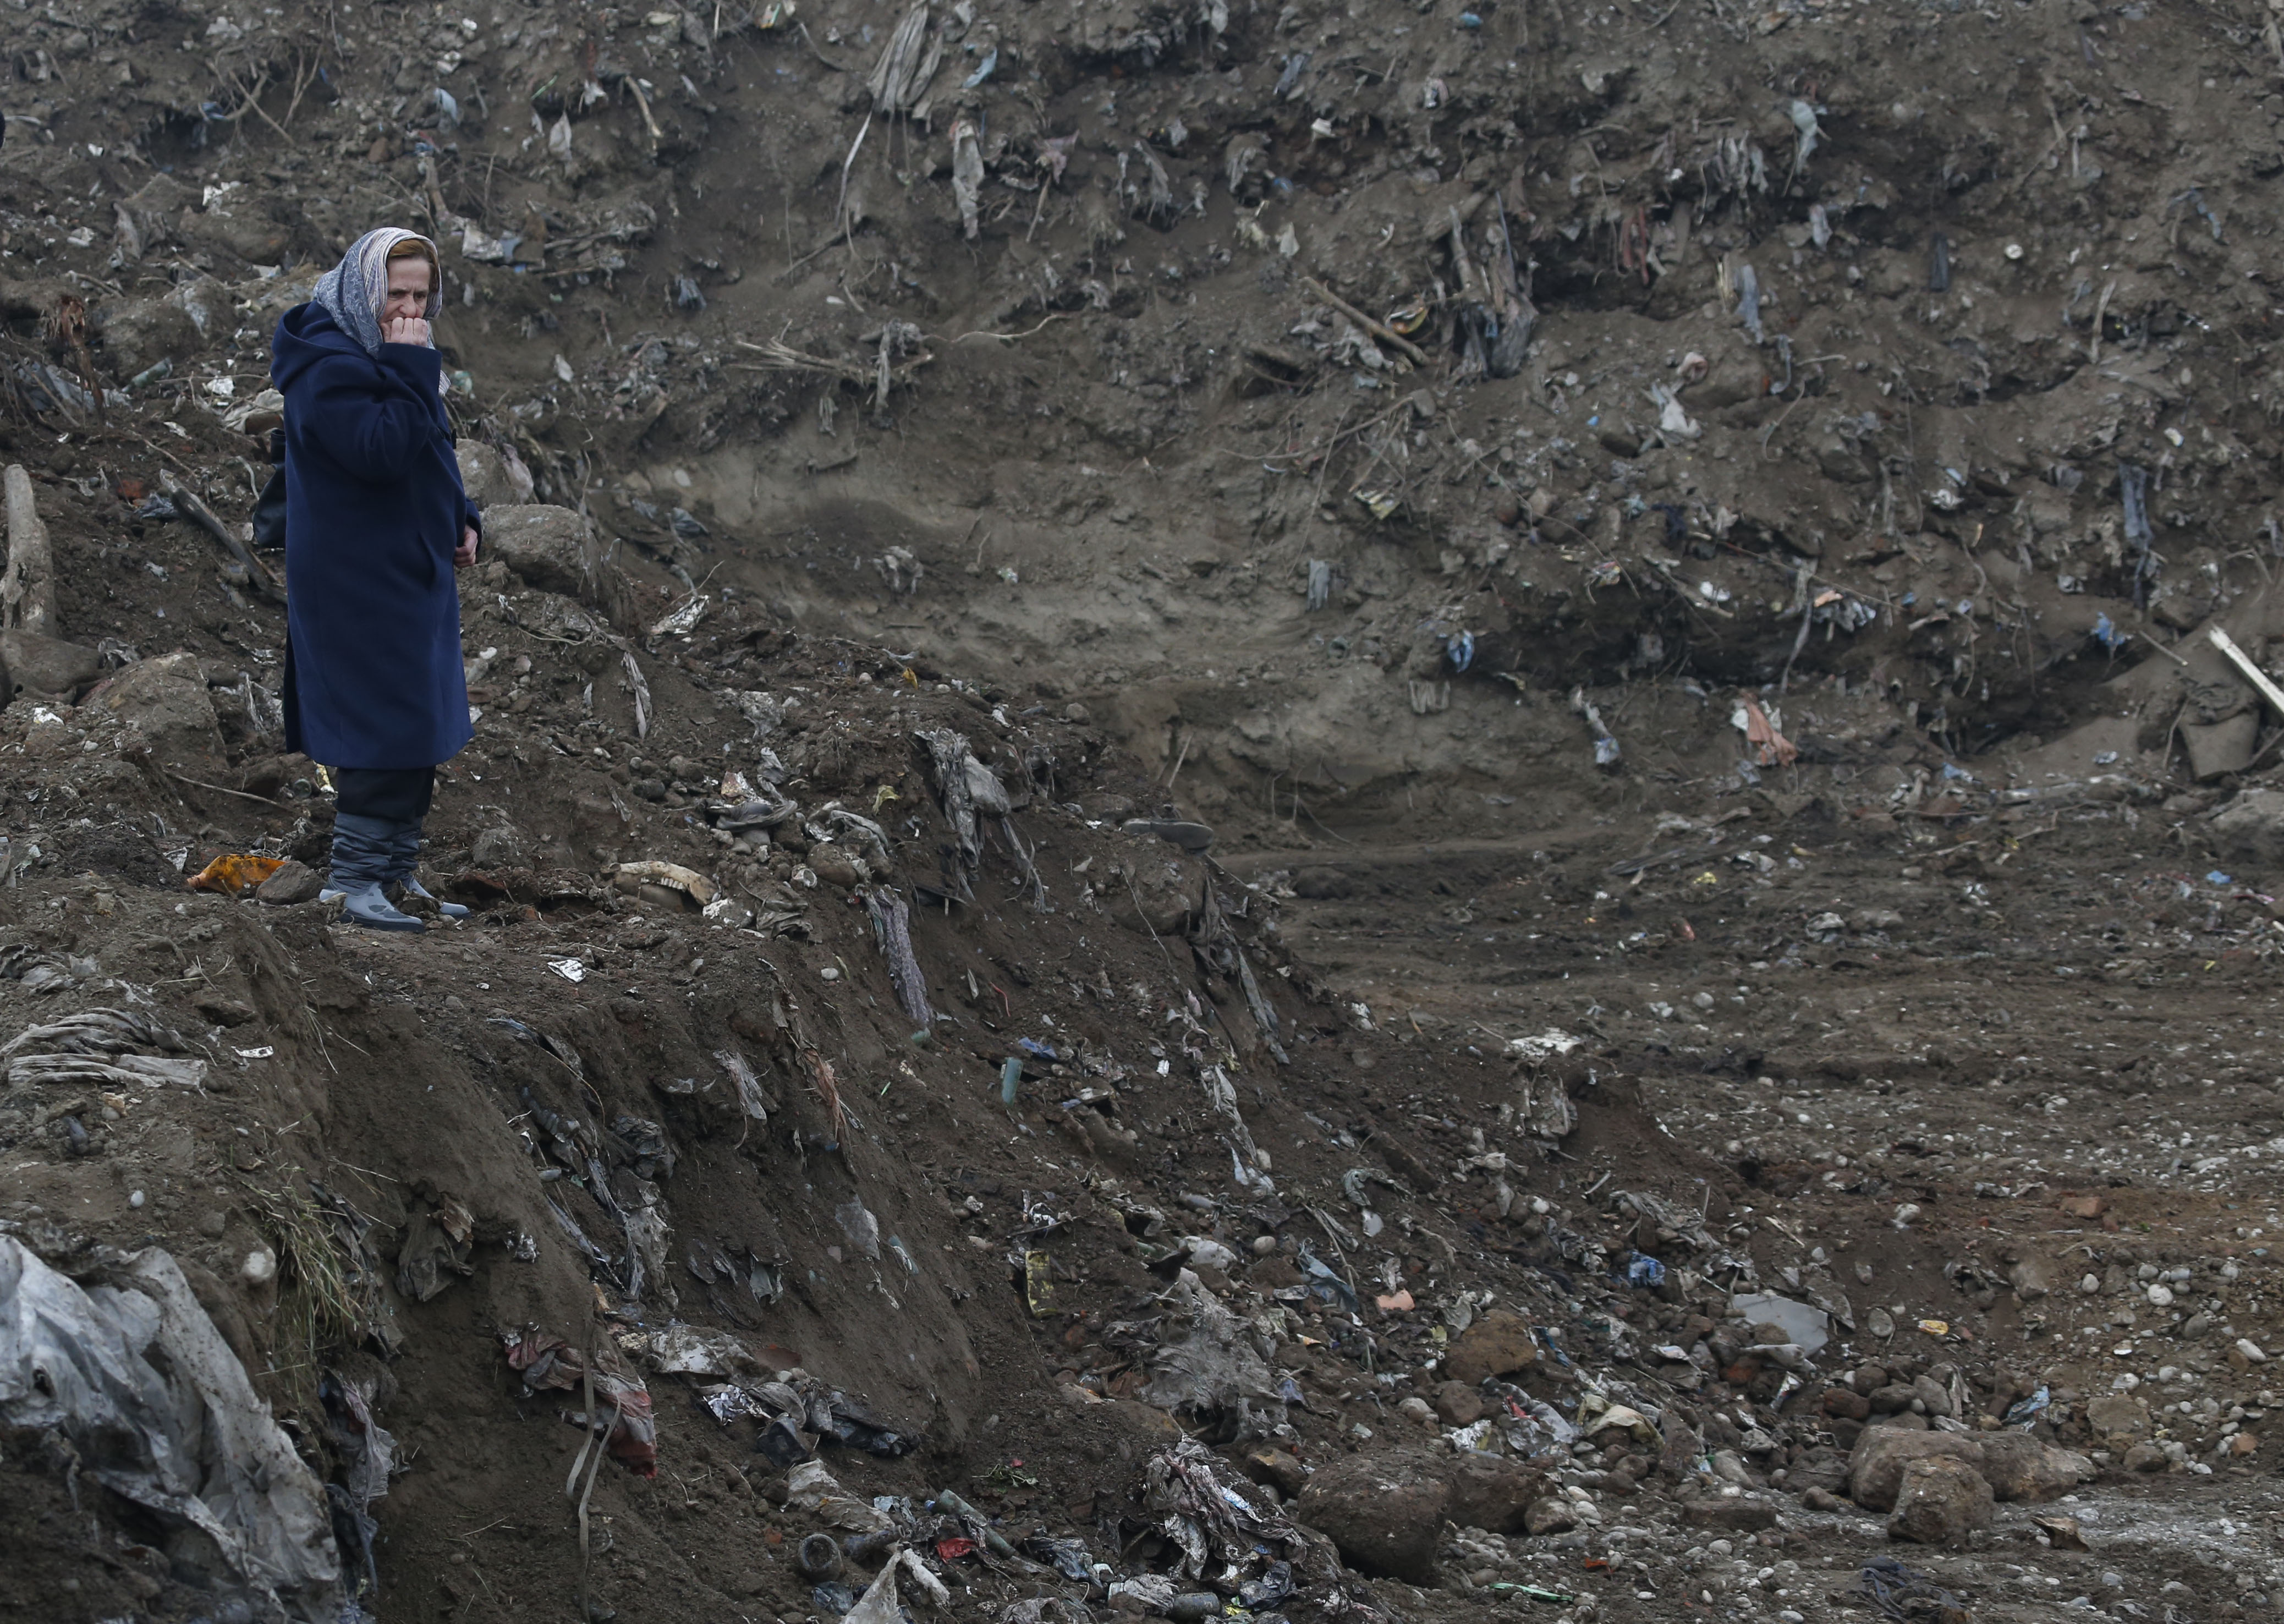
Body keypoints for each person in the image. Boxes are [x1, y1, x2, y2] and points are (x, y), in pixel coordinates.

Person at [271, 228, 479, 932]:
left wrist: (463, 516)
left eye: (422, 296)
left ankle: (395, 872)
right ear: (364, 292)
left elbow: (429, 447)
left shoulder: (388, 354)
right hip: (354, 579)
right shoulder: (327, 366)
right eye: (397, 295)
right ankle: (352, 880)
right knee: (379, 724)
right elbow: (383, 451)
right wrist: (409, 364)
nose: (411, 311)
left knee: (418, 722)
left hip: (409, 570)